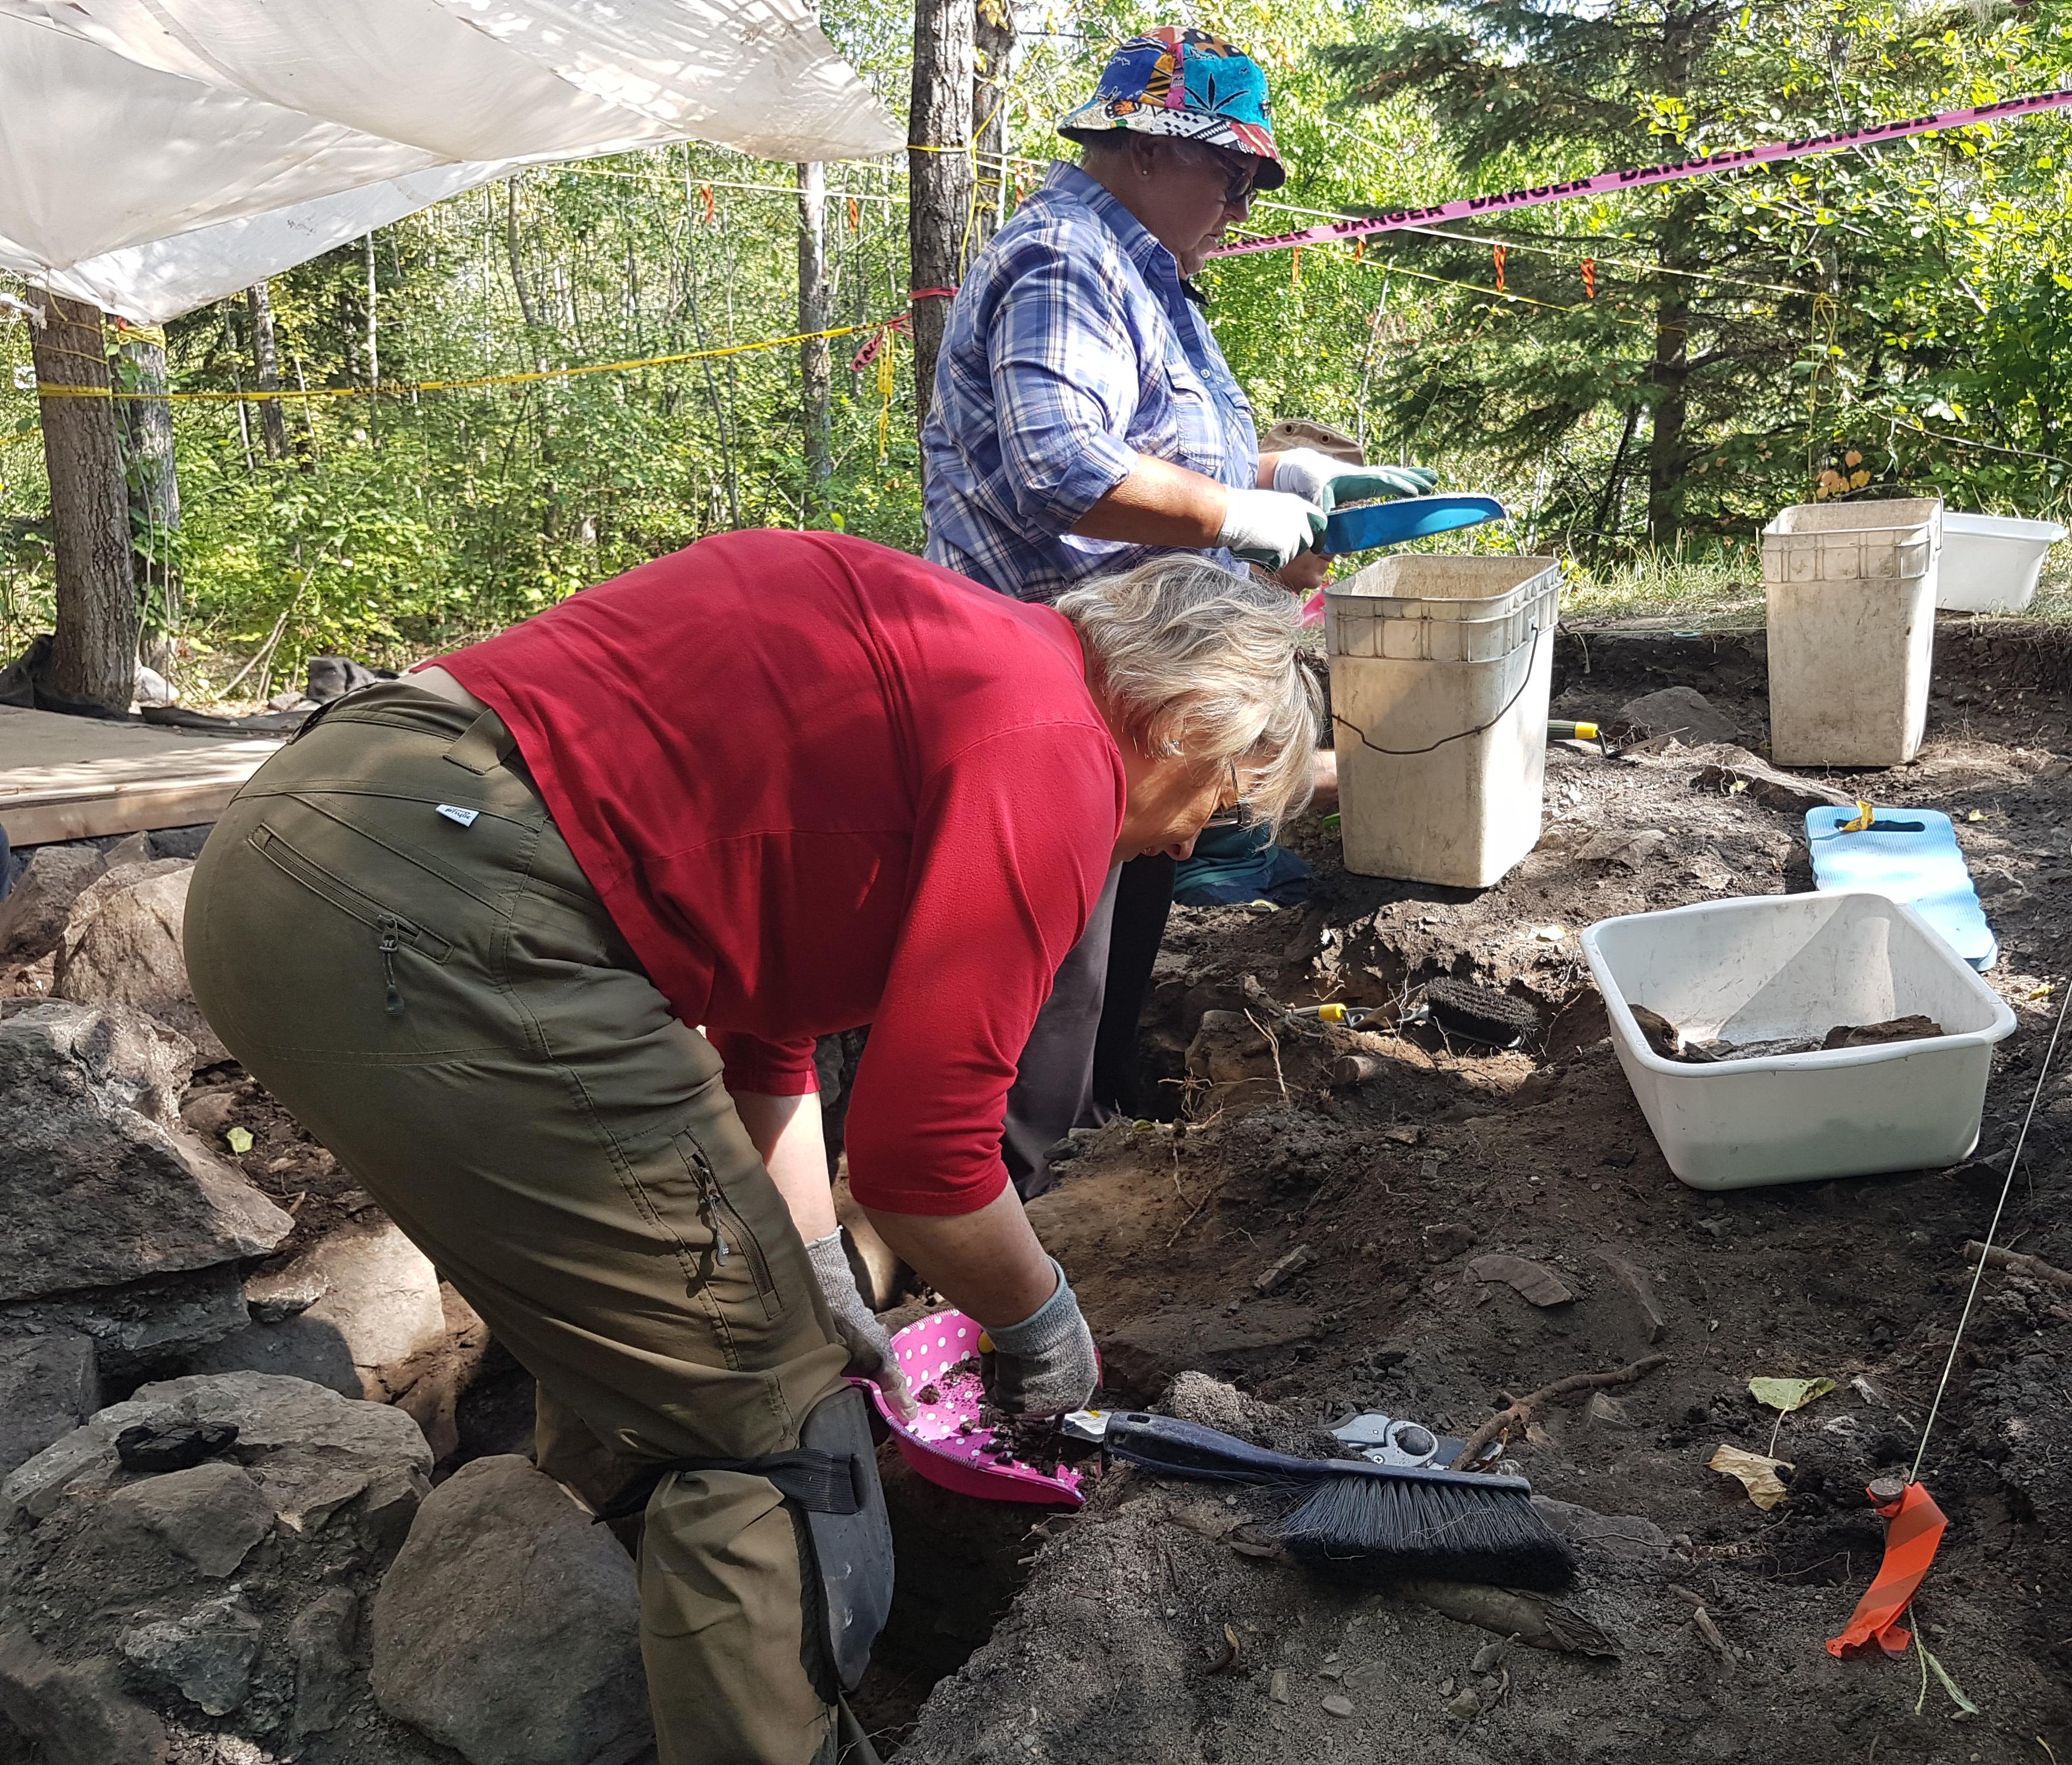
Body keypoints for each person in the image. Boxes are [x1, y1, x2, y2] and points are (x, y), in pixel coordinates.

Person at [183, 532, 1319, 1765]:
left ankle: (569, 1603)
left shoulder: (949, 660)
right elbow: (925, 1163)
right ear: (1181, 716)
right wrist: (1043, 1325)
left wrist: (820, 1263)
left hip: (306, 837)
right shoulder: (1056, 745)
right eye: (1225, 801)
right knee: (775, 1420)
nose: (1196, 840)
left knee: (680, 1320)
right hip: (440, 907)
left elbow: (764, 1039)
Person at [921, 25, 1434, 1181]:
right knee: (1055, 980)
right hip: (1054, 684)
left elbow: (1159, 453)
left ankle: (1090, 1167)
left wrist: (1287, 487)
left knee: (1115, 958)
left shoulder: (1144, 274)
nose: (1246, 204)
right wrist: (1237, 522)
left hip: (1141, 685)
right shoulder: (1065, 261)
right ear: (1148, 147)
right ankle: (1018, 1215)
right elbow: (1061, 465)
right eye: (1235, 172)